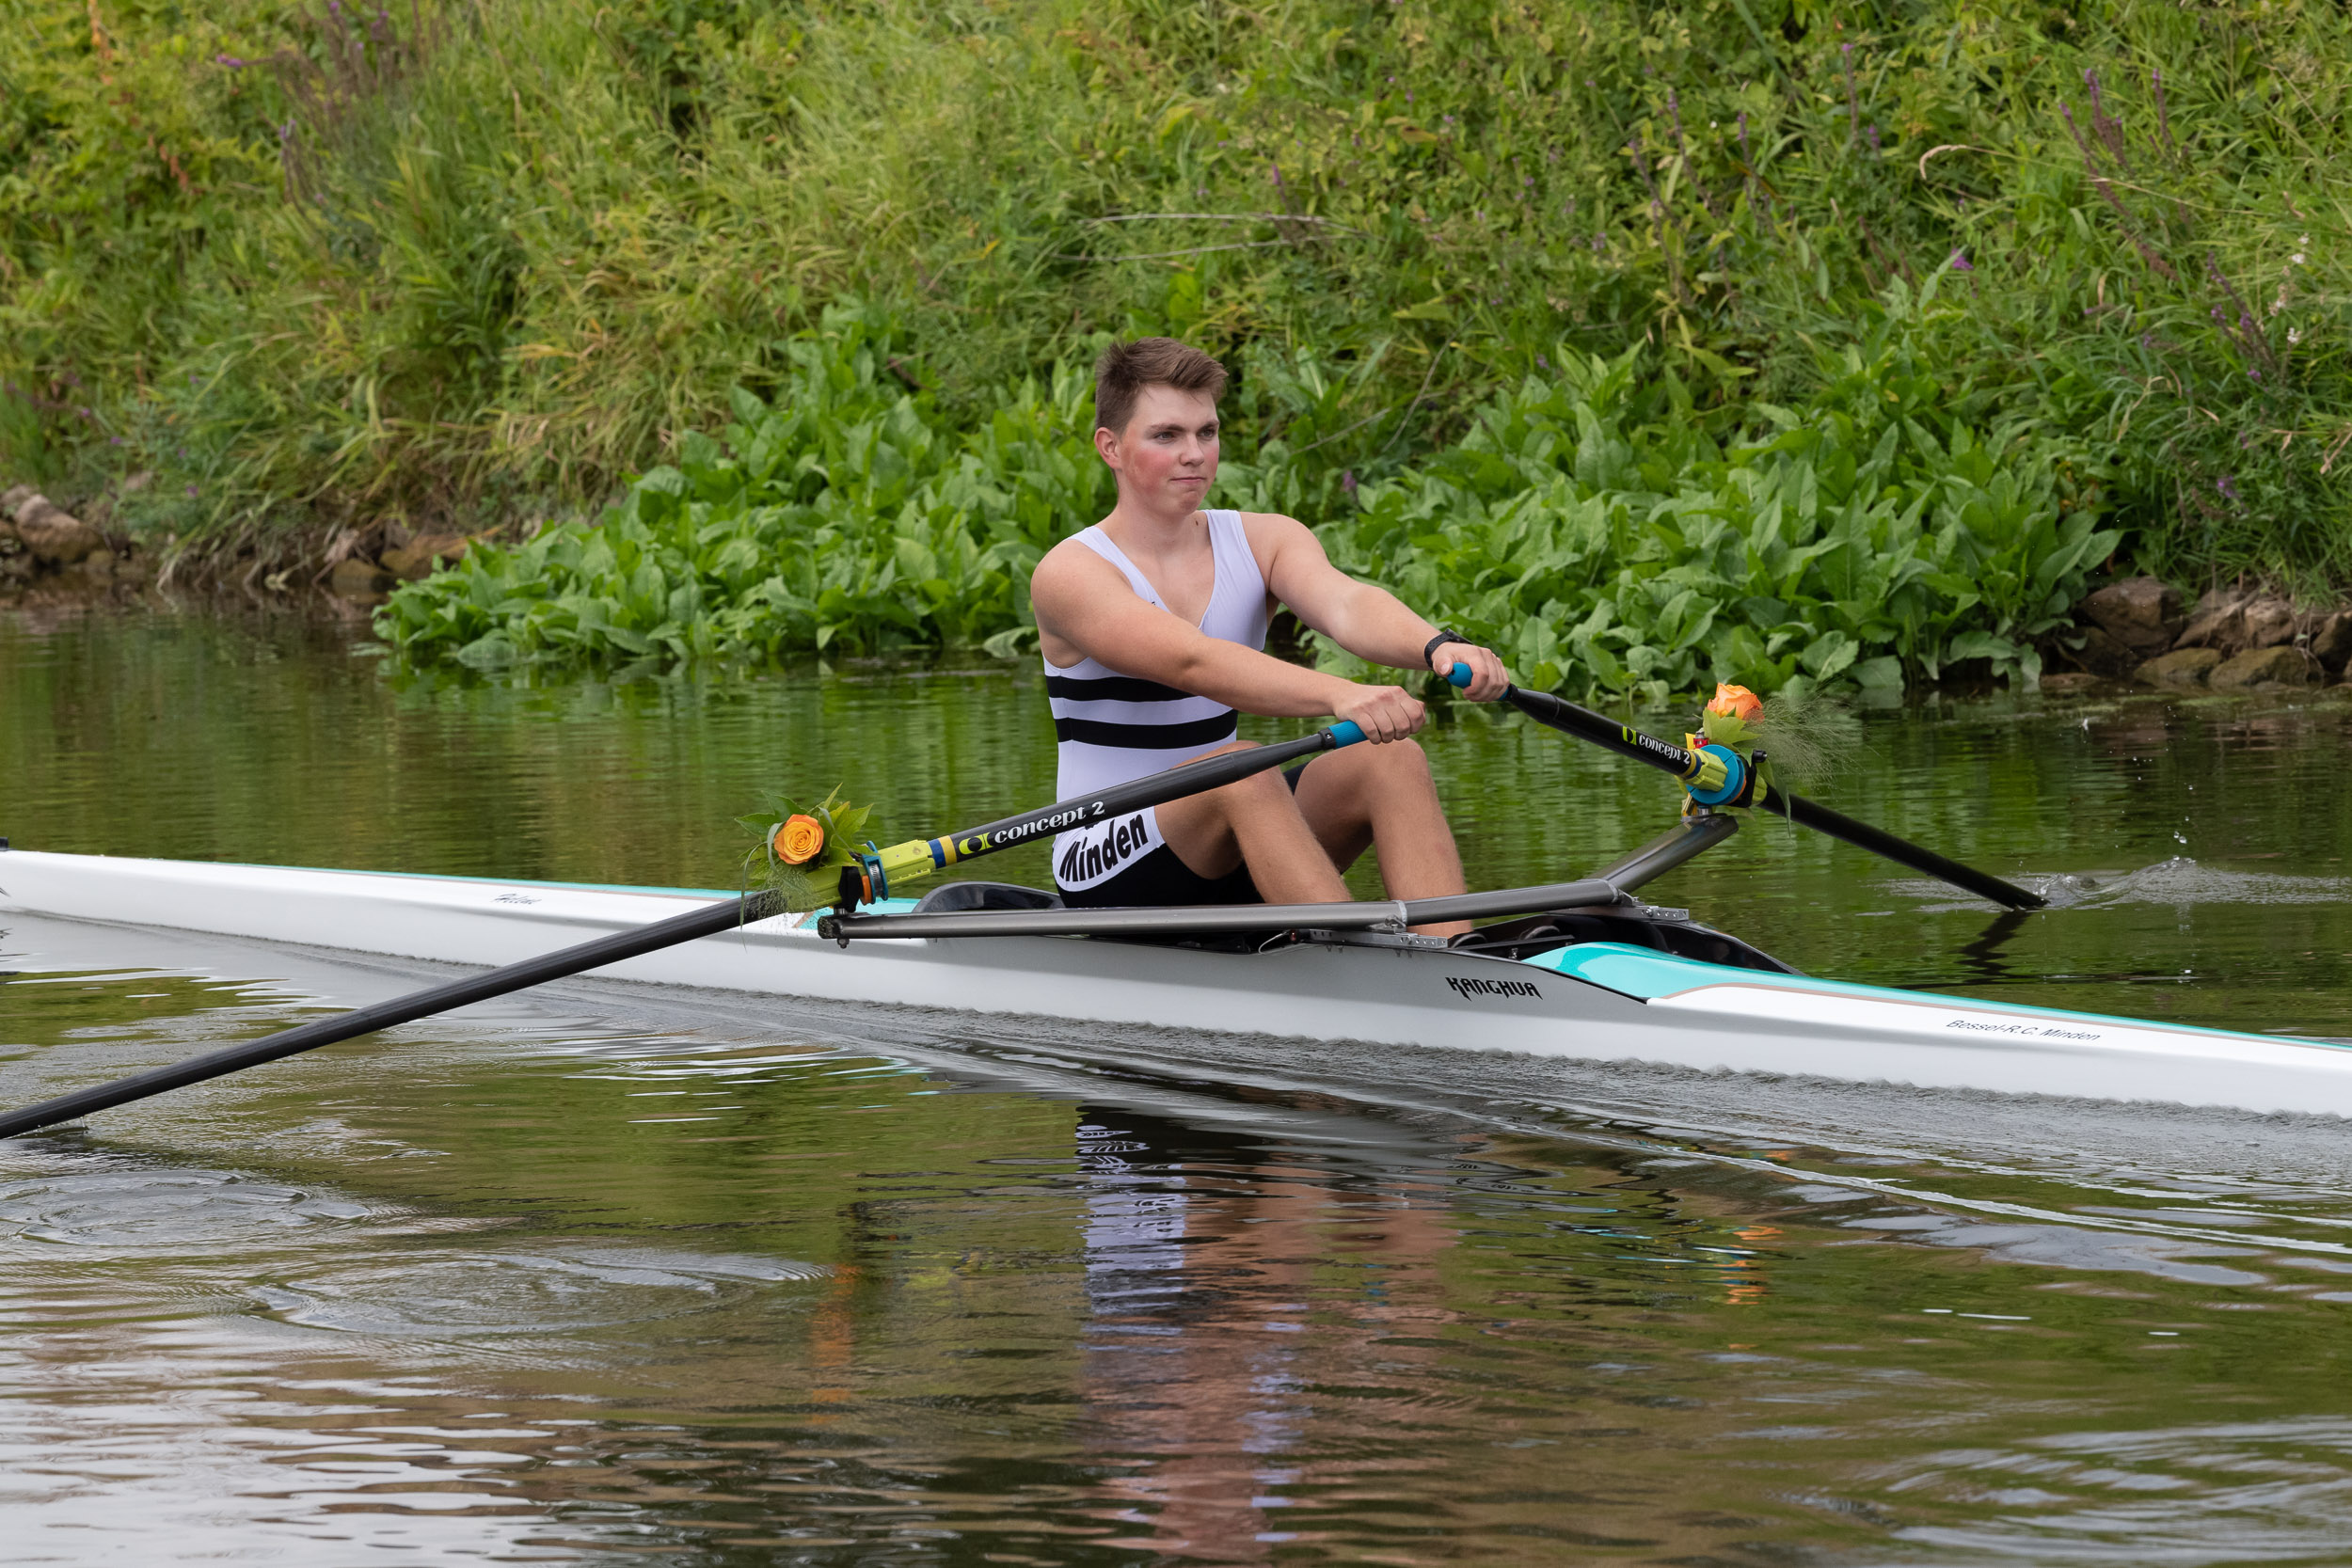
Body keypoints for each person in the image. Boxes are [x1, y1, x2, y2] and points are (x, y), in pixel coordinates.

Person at [1029, 337, 1510, 938]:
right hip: (1104, 857)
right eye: (1166, 436)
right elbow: (1191, 661)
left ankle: (1454, 958)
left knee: (1390, 758)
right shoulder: (1071, 574)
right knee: (1242, 768)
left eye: (1207, 433)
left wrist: (1437, 645)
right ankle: (1351, 961)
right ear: (1112, 447)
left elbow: (1347, 604)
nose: (1194, 454)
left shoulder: (1265, 539)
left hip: (1235, 833)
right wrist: (1342, 695)